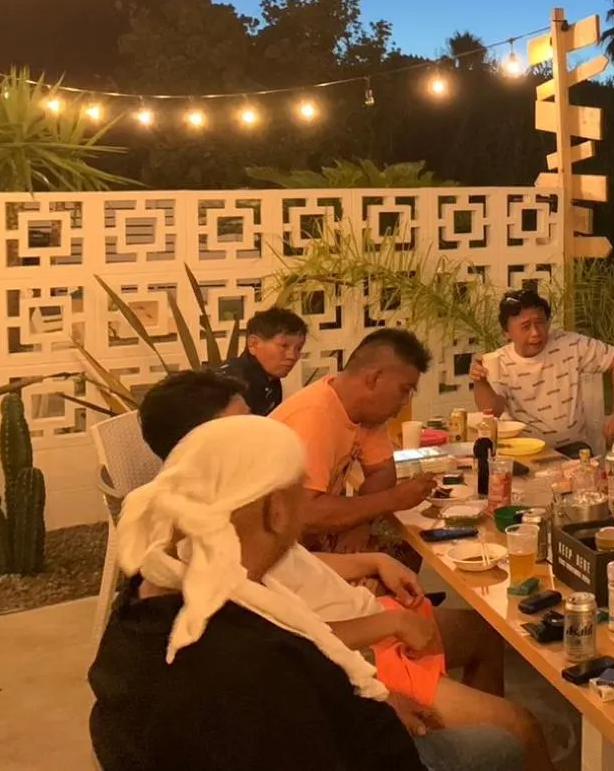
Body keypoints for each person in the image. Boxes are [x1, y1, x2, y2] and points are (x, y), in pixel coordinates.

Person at [135, 370, 550, 771]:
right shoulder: (207, 553)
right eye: (244, 427)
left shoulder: (238, 507)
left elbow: (294, 567)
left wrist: (373, 561)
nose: (265, 434)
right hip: (356, 655)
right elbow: (292, 649)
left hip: (364, 621)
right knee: (520, 729)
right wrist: (376, 688)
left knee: (481, 633)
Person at [273, 327, 437, 552]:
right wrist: (393, 499)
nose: (405, 402)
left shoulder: (367, 414)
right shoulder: (314, 415)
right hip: (271, 553)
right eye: (404, 390)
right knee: (395, 557)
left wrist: (358, 523)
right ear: (374, 378)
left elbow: (383, 471)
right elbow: (306, 512)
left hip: (309, 540)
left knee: (406, 547)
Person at [468, 288, 614, 453]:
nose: (535, 333)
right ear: (507, 332)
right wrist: (481, 382)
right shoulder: (499, 361)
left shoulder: (570, 344)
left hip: (573, 448)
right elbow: (492, 411)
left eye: (540, 323)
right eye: (525, 326)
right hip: (525, 449)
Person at [219, 307, 308, 416]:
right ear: (253, 344)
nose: (293, 356)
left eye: (298, 348)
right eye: (284, 346)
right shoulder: (230, 385)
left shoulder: (272, 381)